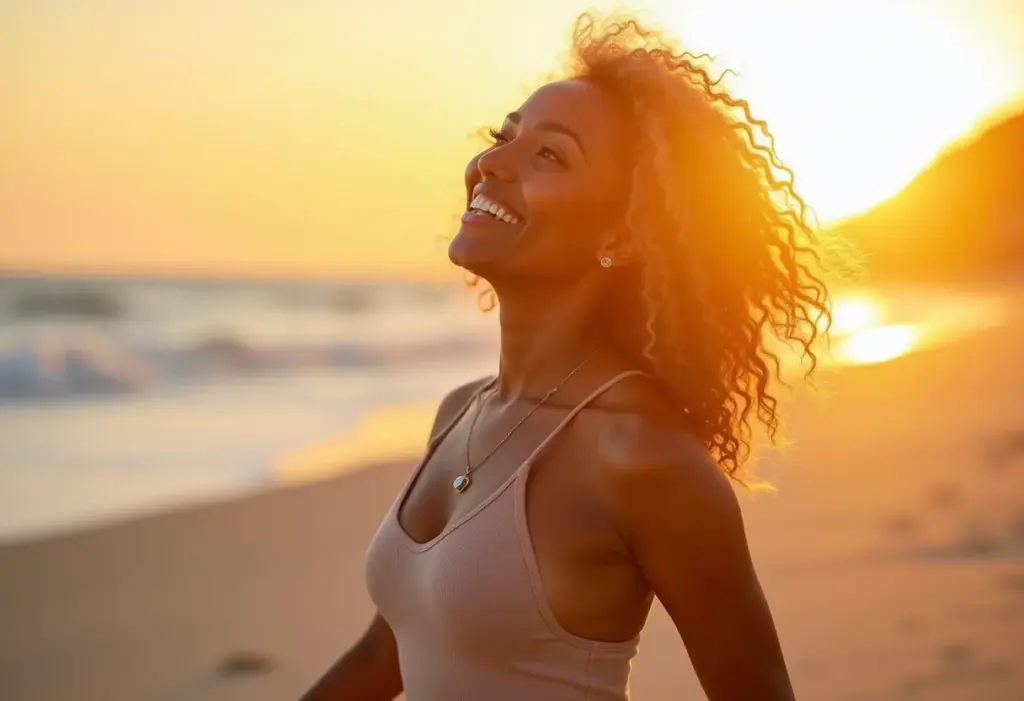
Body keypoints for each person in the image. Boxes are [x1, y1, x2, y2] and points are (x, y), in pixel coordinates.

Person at [300, 10, 840, 701]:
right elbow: (391, 648)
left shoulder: (643, 458)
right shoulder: (460, 412)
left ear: (624, 232)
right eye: (505, 136)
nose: (491, 162)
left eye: (548, 155)